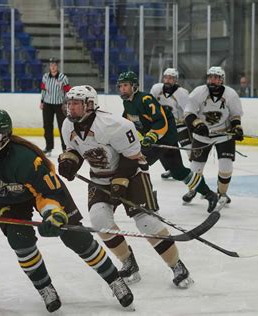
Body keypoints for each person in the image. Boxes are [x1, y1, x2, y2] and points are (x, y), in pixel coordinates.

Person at [0, 108, 134, 313]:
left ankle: (114, 280)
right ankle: (45, 287)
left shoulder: (25, 160)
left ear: (2, 138)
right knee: (20, 241)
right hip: (6, 201)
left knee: (74, 236)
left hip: (46, 195)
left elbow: (48, 193)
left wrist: (53, 214)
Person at [58, 85, 193, 288]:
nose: (70, 108)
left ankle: (177, 266)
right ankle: (128, 262)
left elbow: (132, 156)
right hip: (100, 177)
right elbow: (74, 149)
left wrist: (120, 182)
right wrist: (70, 162)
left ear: (90, 105)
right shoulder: (68, 125)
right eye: (69, 103)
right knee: (99, 219)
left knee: (146, 221)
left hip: (133, 174)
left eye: (76, 103)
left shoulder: (115, 125)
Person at [117, 71, 219, 213]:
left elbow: (161, 121)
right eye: (121, 86)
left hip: (164, 137)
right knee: (178, 171)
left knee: (138, 164)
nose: (122, 89)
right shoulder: (127, 102)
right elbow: (128, 123)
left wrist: (151, 137)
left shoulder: (145, 99)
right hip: (158, 139)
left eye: (126, 85)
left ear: (134, 86)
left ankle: (148, 202)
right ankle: (209, 194)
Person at [184, 66, 244, 204]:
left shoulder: (231, 94)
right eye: (210, 77)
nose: (212, 80)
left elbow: (235, 115)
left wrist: (237, 128)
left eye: (216, 78)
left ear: (222, 80)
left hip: (224, 135)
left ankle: (222, 193)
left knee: (226, 167)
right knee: (195, 169)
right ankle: (193, 190)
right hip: (202, 136)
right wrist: (198, 125)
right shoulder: (198, 92)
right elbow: (189, 113)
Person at [149, 68, 192, 188]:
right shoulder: (156, 89)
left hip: (179, 125)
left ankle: (195, 167)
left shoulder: (182, 93)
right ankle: (171, 169)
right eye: (166, 77)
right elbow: (150, 105)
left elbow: (188, 110)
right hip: (163, 126)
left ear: (176, 80)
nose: (168, 80)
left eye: (171, 78)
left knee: (189, 148)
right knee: (163, 148)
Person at [40, 58, 71, 156]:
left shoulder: (63, 78)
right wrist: (42, 101)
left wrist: (67, 104)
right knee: (47, 126)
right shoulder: (45, 77)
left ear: (57, 66)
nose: (53, 67)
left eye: (54, 65)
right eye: (51, 65)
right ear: (49, 67)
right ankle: (48, 148)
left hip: (60, 105)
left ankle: (65, 148)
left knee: (63, 127)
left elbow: (67, 91)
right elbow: (43, 90)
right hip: (47, 104)